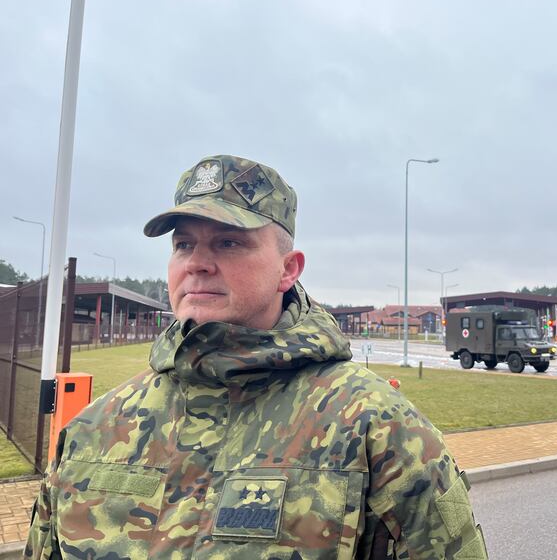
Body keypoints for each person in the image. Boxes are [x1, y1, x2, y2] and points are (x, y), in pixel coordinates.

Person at [25, 155, 487, 559]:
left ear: (288, 269)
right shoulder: (94, 429)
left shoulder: (375, 428)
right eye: (183, 244)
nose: (197, 263)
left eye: (228, 242)